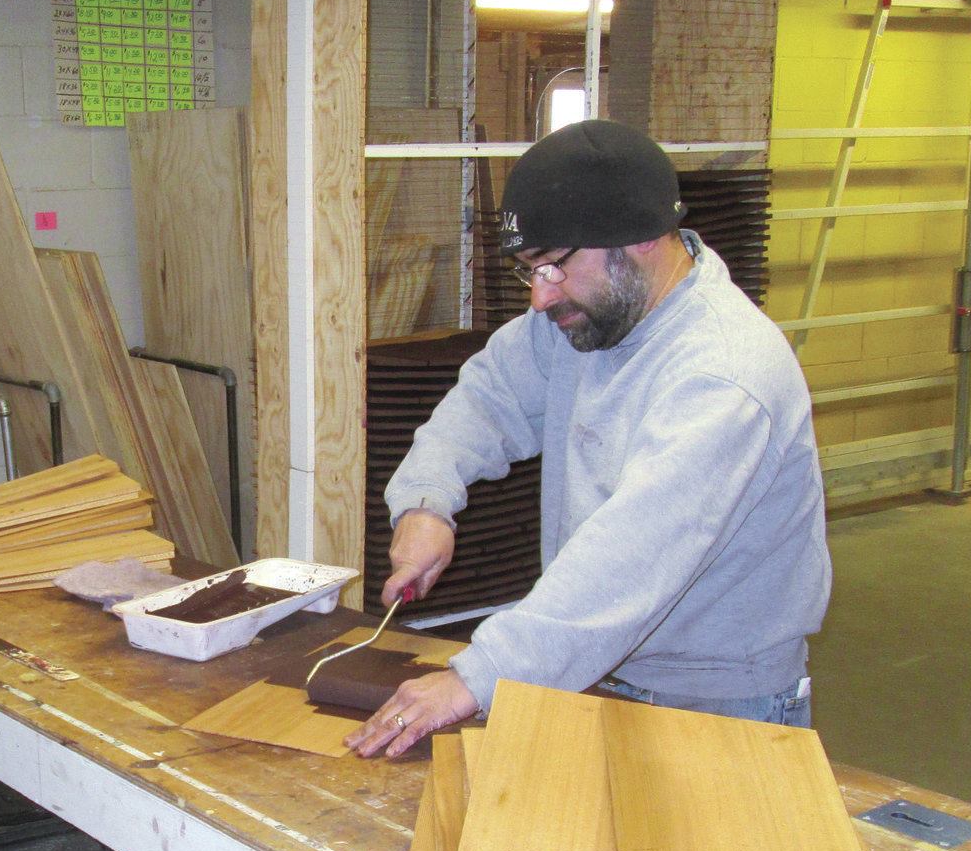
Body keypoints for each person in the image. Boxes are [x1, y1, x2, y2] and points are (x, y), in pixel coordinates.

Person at [346, 119, 831, 759]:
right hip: (593, 665)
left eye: (553, 266)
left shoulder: (723, 376)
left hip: (714, 702)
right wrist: (426, 501)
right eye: (528, 270)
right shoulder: (593, 314)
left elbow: (632, 555)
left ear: (640, 236)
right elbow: (487, 398)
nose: (540, 297)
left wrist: (478, 676)